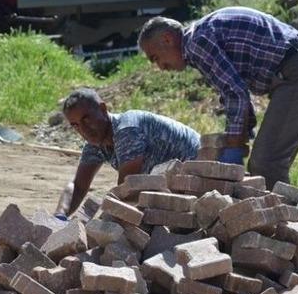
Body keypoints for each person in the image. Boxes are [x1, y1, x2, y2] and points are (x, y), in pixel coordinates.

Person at [138, 7, 298, 189]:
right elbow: (234, 93)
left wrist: (234, 147)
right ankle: (286, 216)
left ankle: (285, 222)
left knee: (265, 164)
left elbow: (235, 92)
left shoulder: (197, 43)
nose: (161, 67)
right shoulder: (199, 38)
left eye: (155, 58)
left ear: (167, 39)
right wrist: (240, 137)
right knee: (269, 162)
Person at [58, 88, 200, 217]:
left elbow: (126, 190)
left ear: (102, 109)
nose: (83, 130)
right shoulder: (95, 143)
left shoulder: (127, 129)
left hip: (203, 173)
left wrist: (100, 229)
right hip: (176, 187)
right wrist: (59, 216)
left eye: (86, 119)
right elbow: (78, 186)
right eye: (76, 125)